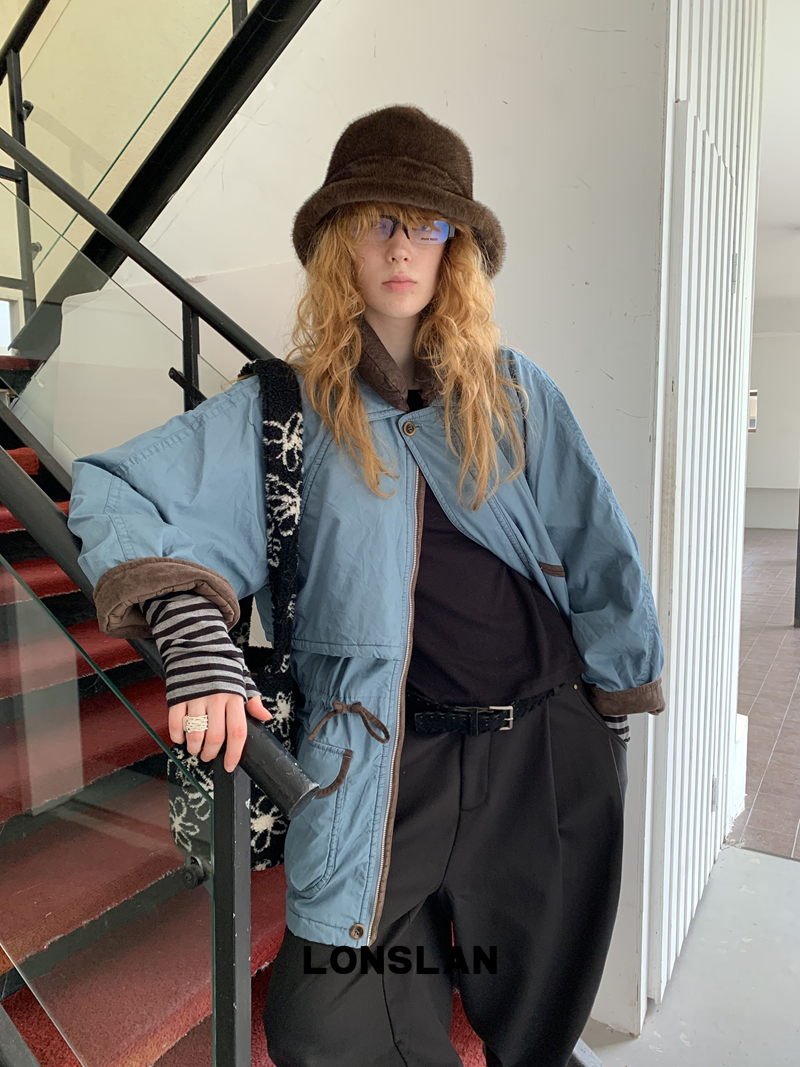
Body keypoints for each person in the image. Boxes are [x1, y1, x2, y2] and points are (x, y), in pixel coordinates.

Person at [68, 105, 665, 1067]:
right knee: (327, 1017)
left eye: (426, 224)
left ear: (454, 248)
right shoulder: (284, 410)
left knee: (540, 1002)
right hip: (383, 755)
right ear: (340, 241)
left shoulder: (515, 393)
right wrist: (192, 631)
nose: (400, 246)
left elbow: (598, 547)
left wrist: (617, 704)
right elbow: (119, 490)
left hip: (544, 746)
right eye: (377, 220)